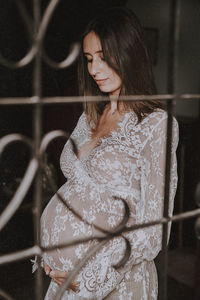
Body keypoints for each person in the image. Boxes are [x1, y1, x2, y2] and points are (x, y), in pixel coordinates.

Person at [34, 7, 179, 299]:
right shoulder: (89, 117)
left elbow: (154, 230)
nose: (93, 69)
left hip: (115, 285)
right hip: (61, 284)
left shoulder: (156, 125)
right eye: (88, 59)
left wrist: (90, 275)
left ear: (129, 53)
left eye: (102, 57)